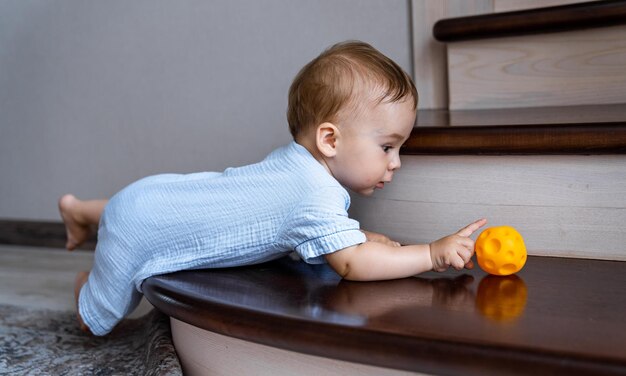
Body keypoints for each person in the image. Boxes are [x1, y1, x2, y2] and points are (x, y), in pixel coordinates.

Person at [58, 40, 486, 336]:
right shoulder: (313, 195)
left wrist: (364, 236)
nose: (396, 163)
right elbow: (353, 264)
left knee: (128, 207)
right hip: (140, 233)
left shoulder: (294, 163)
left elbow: (321, 235)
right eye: (388, 147)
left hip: (150, 197)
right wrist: (430, 253)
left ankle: (82, 211)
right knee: (97, 319)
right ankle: (86, 282)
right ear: (330, 140)